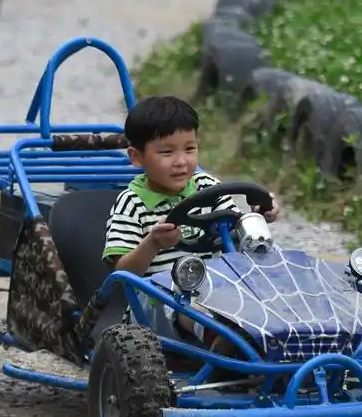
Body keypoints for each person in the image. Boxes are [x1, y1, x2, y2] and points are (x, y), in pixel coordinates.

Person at [101, 95, 281, 342]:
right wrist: (152, 243)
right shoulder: (131, 203)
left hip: (216, 292)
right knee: (185, 304)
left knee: (267, 275)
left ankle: (290, 338)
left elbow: (237, 232)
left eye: (190, 149)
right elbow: (123, 274)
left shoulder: (207, 187)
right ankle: (222, 343)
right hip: (153, 307)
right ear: (136, 157)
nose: (181, 162)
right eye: (167, 152)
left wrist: (259, 216)